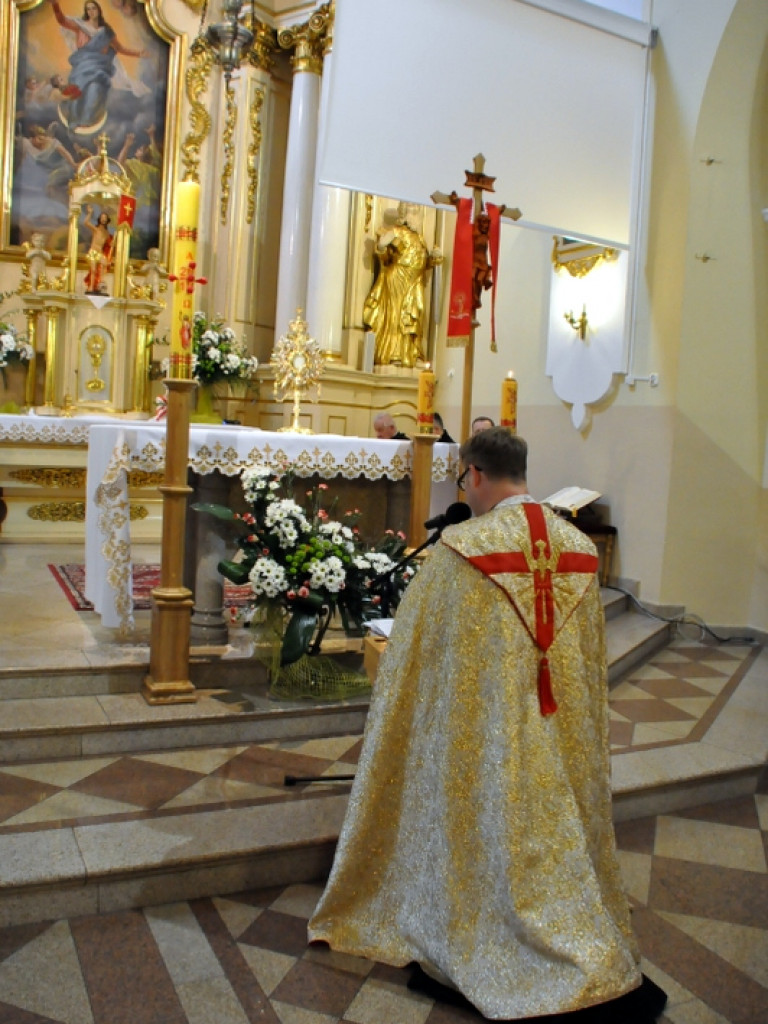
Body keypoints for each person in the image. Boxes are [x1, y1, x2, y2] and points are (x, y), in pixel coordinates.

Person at [309, 427, 667, 1023]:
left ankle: (487, 928)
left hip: (487, 739)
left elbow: (416, 662)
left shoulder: (459, 551)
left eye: (462, 480)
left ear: (473, 476)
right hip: (556, 732)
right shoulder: (580, 550)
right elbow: (584, 664)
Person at [363, 202, 442, 368]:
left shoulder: (419, 237)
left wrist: (432, 259)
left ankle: (412, 353)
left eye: (418, 212)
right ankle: (394, 354)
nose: (417, 216)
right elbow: (384, 256)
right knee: (396, 315)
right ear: (404, 215)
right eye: (413, 212)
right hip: (397, 278)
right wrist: (383, 245)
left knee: (416, 311)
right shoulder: (394, 232)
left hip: (415, 281)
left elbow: (422, 261)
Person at [49, 0, 148, 133]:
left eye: (93, 8)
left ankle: (86, 121)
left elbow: (120, 48)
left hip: (99, 70)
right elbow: (62, 21)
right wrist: (55, 5)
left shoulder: (106, 32)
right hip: (81, 69)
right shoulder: (80, 26)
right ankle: (75, 121)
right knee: (77, 95)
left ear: (99, 11)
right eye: (88, 9)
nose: (91, 11)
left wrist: (139, 54)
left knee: (94, 92)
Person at [82, 205, 112, 292]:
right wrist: (90, 213)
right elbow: (86, 222)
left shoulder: (106, 233)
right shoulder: (96, 229)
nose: (103, 219)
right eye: (102, 217)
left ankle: (100, 284)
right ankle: (91, 287)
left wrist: (112, 243)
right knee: (94, 270)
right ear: (100, 219)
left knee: (105, 264)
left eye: (105, 217)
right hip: (93, 252)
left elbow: (109, 244)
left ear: (107, 220)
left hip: (100, 252)